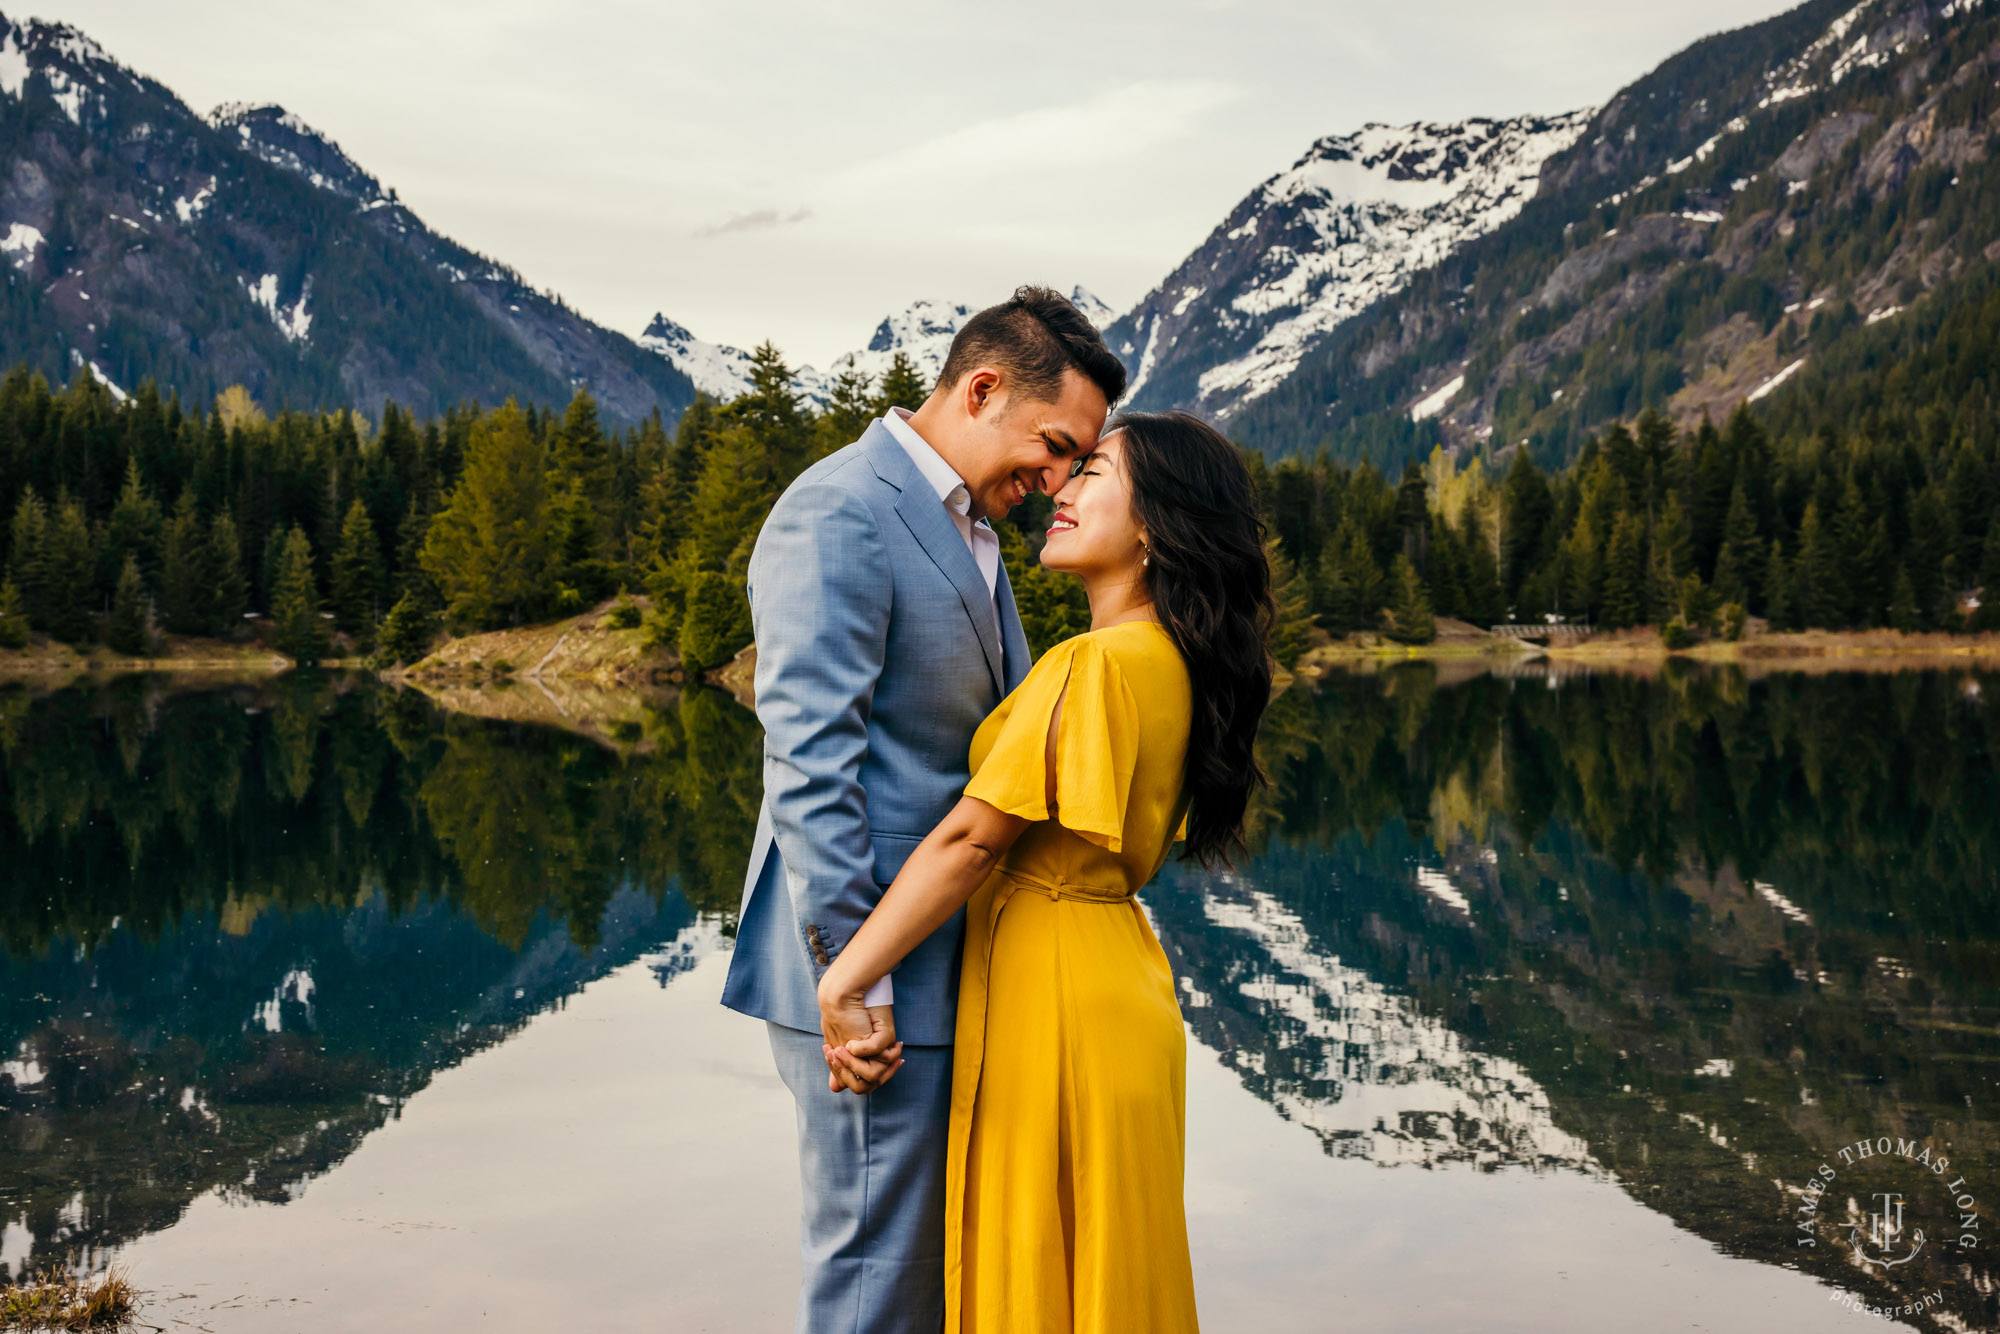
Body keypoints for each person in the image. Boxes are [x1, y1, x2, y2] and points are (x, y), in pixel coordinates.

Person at [720, 285, 1128, 1334]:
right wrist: (856, 978)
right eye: (1051, 446)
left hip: (941, 973)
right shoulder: (840, 506)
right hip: (869, 988)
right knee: (876, 1286)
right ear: (982, 387)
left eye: (1075, 463)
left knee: (924, 1285)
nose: (1053, 481)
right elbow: (812, 764)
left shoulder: (970, 526)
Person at [817, 410, 1276, 1333]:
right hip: (1117, 980)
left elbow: (970, 842)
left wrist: (846, 975)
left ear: (1156, 524)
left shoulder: (1094, 664)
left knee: (1042, 1267)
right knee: (1102, 1264)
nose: (1060, 493)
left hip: (1056, 995)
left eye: (1093, 474)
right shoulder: (1172, 661)